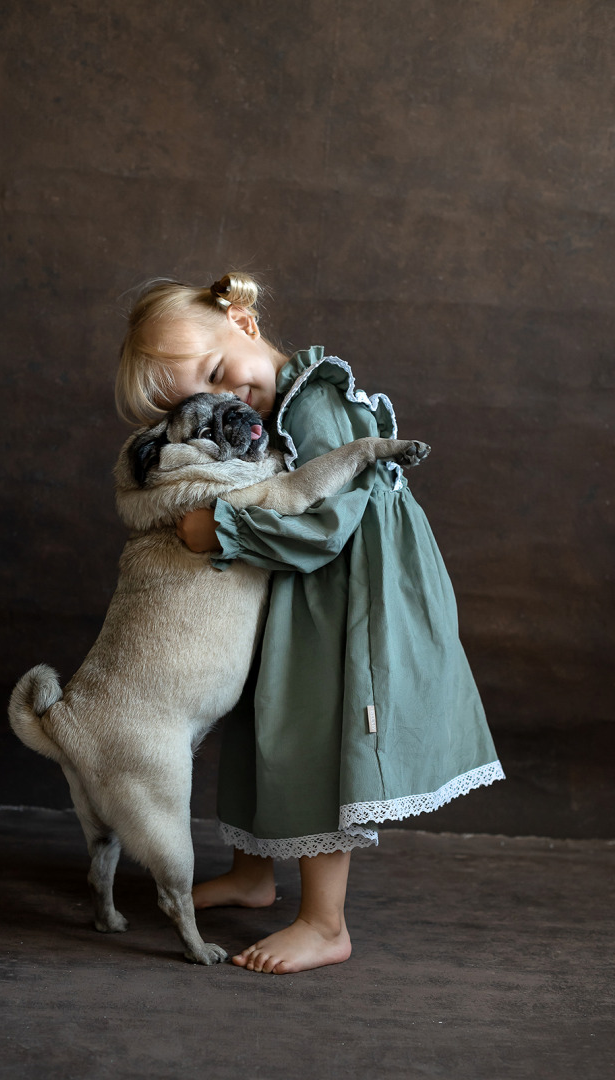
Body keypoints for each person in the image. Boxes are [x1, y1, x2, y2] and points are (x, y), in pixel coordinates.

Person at [115, 271, 504, 975]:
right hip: (303, 592)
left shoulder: (315, 401)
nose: (224, 398)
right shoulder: (276, 405)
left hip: (349, 590)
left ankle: (325, 923)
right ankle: (254, 876)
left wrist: (223, 530)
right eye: (202, 397)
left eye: (216, 373)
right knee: (269, 723)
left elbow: (328, 525)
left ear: (244, 325)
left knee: (316, 743)